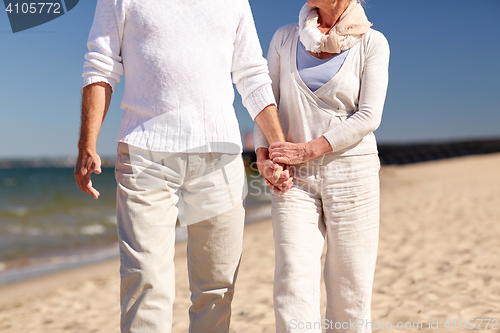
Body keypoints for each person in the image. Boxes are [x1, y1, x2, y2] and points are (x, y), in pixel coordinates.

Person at [74, 0, 292, 332]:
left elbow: (251, 73)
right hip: (144, 152)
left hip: (219, 155)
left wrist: (277, 147)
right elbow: (101, 66)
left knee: (217, 287)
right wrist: (87, 144)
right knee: (145, 281)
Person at [254, 0, 389, 332]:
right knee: (292, 281)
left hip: (353, 176)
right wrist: (263, 156)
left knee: (350, 290)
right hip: (294, 180)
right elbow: (265, 101)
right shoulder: (285, 38)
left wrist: (307, 150)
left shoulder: (372, 43)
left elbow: (369, 116)